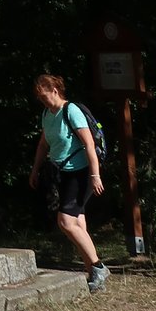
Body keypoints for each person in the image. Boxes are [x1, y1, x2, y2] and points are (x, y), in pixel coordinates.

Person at [29, 73, 109, 292]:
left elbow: (89, 144)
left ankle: (98, 267)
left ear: (55, 91)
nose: (42, 100)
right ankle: (93, 276)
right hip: (62, 173)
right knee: (78, 223)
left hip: (81, 173)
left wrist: (95, 175)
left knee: (65, 221)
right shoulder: (47, 114)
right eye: (39, 98)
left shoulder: (71, 111)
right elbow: (43, 145)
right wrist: (35, 170)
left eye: (44, 96)